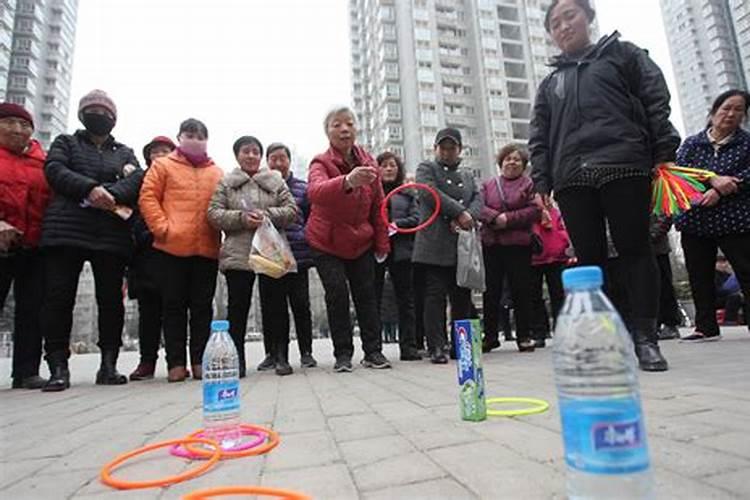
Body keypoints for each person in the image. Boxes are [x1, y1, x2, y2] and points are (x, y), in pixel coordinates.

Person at [530, 0, 681, 371]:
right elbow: (539, 134)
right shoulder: (551, 82)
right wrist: (541, 181)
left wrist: (663, 149)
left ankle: (646, 338)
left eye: (570, 16)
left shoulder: (623, 55)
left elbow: (655, 98)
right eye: (555, 23)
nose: (563, 26)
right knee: (590, 261)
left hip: (624, 163)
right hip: (571, 177)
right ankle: (606, 339)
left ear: (588, 18)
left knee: (635, 250)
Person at [39, 90, 144, 391]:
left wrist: (111, 195)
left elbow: (135, 179)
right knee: (59, 298)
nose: (100, 115)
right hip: (66, 231)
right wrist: (89, 188)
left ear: (114, 118)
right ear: (83, 114)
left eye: (105, 111)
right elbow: (55, 170)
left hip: (110, 235)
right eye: (93, 109)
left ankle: (108, 364)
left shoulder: (124, 152)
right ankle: (58, 365)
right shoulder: (66, 143)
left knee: (111, 301)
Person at [306, 106, 391, 372]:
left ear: (356, 129)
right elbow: (315, 192)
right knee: (337, 294)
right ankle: (343, 354)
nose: (344, 129)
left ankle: (373, 352)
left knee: (366, 295)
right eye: (337, 125)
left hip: (360, 241)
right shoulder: (320, 163)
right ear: (328, 132)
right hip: (326, 242)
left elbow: (378, 206)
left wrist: (381, 243)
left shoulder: (369, 162)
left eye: (349, 124)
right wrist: (347, 181)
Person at [139, 118, 223, 382]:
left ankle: (200, 361)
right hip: (170, 248)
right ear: (179, 137)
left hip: (207, 249)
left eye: (200, 135)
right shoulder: (163, 166)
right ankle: (175, 363)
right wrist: (162, 228)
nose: (195, 139)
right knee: (173, 306)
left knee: (202, 307)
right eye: (189, 134)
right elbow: (148, 196)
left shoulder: (217, 172)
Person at [208, 137, 297, 376]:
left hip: (271, 251)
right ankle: (237, 360)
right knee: (237, 308)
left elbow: (292, 210)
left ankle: (280, 356)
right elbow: (214, 214)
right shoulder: (226, 183)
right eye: (246, 151)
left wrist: (267, 214)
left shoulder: (275, 181)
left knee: (276, 306)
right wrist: (241, 218)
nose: (251, 156)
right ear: (237, 155)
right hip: (239, 252)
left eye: (256, 152)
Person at [674, 89, 750, 342]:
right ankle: (705, 326)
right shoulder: (692, 143)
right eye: (726, 108)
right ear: (714, 111)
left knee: (746, 269)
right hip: (696, 218)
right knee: (699, 273)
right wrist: (712, 183)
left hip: (736, 218)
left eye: (738, 110)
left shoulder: (747, 143)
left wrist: (725, 189)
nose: (730, 114)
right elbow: (682, 173)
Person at [412, 128, 481, 364]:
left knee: (462, 296)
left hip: (461, 244)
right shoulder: (426, 168)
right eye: (443, 147)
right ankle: (436, 346)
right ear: (436, 149)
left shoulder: (469, 175)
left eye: (452, 147)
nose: (447, 151)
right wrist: (459, 212)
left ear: (460, 150)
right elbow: (430, 193)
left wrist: (468, 216)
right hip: (434, 243)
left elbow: (478, 199)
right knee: (435, 297)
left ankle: (460, 345)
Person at [0, 103, 50, 389]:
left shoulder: (42, 161)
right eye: (9, 122)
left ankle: (26, 370)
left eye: (24, 124)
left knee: (32, 309)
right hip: (2, 242)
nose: (18, 129)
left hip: (34, 244)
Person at [479, 144, 541, 353]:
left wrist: (509, 219)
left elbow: (534, 211)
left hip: (519, 246)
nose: (512, 162)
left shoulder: (530, 185)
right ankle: (490, 336)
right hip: (491, 245)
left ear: (524, 165)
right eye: (508, 158)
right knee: (490, 291)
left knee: (522, 290)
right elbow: (478, 206)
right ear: (501, 162)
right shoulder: (488, 185)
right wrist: (495, 218)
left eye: (517, 159)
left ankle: (524, 335)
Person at [127, 136, 176, 380]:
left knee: (174, 309)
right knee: (148, 311)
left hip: (173, 251)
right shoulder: (139, 179)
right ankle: (147, 361)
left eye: (165, 151)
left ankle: (175, 361)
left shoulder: (179, 179)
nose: (159, 155)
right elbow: (129, 212)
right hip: (145, 254)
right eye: (155, 151)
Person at [265, 142, 318, 369]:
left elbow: (311, 216)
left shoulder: (302, 188)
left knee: (301, 304)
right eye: (273, 159)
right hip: (269, 255)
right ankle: (276, 354)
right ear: (267, 162)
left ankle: (306, 352)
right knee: (273, 307)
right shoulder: (261, 186)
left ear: (288, 161)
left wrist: (305, 237)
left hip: (297, 254)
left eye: (282, 158)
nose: (278, 163)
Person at [374, 151, 422, 361]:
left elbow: (417, 217)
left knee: (406, 299)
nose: (389, 168)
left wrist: (397, 225)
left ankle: (409, 347)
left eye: (392, 165)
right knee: (372, 299)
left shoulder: (407, 194)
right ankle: (374, 349)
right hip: (376, 251)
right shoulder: (370, 193)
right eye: (384, 165)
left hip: (402, 251)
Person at [529, 197, 570, 347]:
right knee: (534, 296)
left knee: (558, 295)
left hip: (556, 258)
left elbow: (564, 230)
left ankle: (561, 330)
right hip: (534, 259)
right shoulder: (530, 214)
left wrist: (561, 242)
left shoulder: (555, 212)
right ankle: (539, 332)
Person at [651, 215, 682, 340]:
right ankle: (652, 324)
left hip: (657, 247)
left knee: (664, 287)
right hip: (636, 249)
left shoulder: (657, 195)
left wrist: (652, 234)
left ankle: (670, 323)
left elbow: (665, 215)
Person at [714, 256, 746, 326]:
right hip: (717, 298)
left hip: (728, 296)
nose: (724, 265)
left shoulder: (727, 275)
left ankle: (744, 319)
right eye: (720, 263)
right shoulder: (714, 276)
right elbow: (717, 290)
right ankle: (729, 320)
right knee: (735, 297)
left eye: (725, 263)